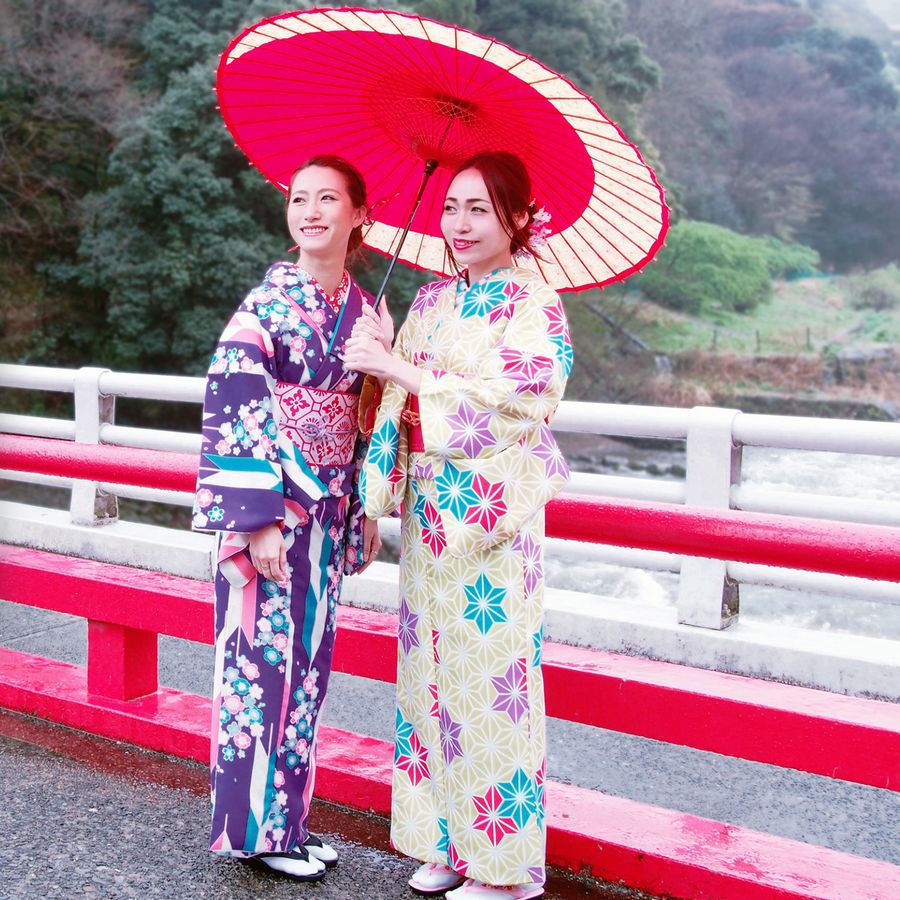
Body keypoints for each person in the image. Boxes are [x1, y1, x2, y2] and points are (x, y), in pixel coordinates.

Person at [343, 151, 572, 900]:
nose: (461, 224)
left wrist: (406, 373)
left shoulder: (536, 303)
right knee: (430, 687)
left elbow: (517, 406)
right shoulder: (432, 303)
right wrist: (381, 357)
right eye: (451, 208)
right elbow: (398, 407)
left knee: (492, 688)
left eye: (480, 208)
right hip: (431, 523)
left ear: (518, 218)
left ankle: (506, 872)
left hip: (494, 526)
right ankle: (446, 840)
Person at [192, 154, 389, 881]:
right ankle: (253, 832)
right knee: (256, 668)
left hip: (329, 510)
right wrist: (259, 516)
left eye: (327, 199)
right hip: (272, 512)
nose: (309, 211)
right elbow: (233, 400)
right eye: (298, 199)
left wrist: (368, 500)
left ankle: (290, 823)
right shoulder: (266, 306)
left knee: (307, 667)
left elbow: (371, 416)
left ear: (358, 213)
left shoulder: (367, 311)